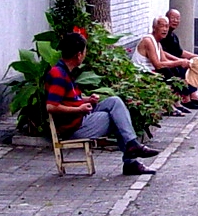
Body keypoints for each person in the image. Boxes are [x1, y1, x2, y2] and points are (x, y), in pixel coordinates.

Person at [45, 32, 159, 175]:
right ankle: (131, 159)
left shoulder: (66, 71)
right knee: (116, 118)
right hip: (75, 126)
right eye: (84, 52)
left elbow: (70, 99)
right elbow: (51, 106)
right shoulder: (58, 74)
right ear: (79, 55)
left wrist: (87, 100)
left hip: (81, 116)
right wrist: (78, 109)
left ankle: (132, 147)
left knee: (115, 102)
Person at [133, 17, 195, 114]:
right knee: (166, 73)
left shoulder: (158, 43)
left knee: (174, 72)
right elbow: (157, 65)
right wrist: (179, 62)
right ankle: (169, 106)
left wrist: (181, 63)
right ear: (154, 28)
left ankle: (175, 102)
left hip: (151, 71)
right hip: (142, 73)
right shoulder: (148, 41)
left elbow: (164, 60)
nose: (165, 29)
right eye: (161, 26)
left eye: (166, 26)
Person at [162, 9, 198, 107]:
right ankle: (185, 97)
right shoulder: (164, 35)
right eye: (173, 18)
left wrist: (197, 56)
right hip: (167, 63)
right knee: (185, 68)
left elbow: (180, 52)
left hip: (175, 61)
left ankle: (193, 95)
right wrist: (179, 61)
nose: (175, 21)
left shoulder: (173, 36)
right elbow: (162, 53)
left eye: (178, 19)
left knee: (193, 64)